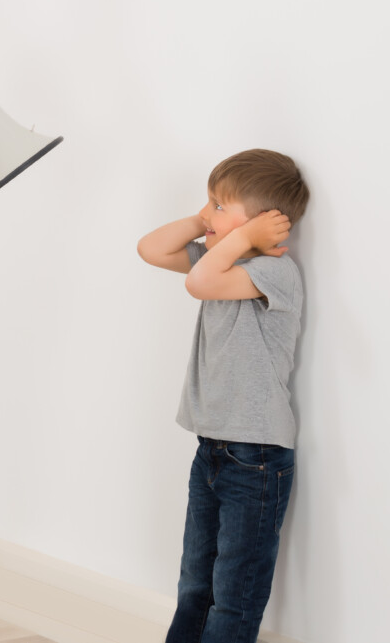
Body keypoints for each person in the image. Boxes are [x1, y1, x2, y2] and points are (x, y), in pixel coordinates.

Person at [137, 148, 310, 643]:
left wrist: (241, 241)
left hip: (256, 457)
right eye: (208, 203)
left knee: (233, 595)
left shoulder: (274, 273)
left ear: (262, 224)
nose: (206, 213)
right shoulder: (223, 261)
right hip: (212, 448)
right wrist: (204, 220)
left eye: (218, 204)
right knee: (196, 584)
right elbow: (150, 248)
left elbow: (199, 282)